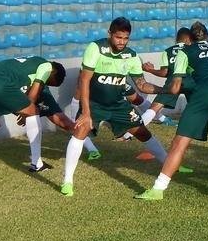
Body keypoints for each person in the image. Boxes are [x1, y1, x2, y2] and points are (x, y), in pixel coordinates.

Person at [57, 17, 175, 197]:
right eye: (118, 37)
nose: (122, 42)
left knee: (143, 133)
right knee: (80, 131)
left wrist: (167, 90)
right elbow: (85, 80)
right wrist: (86, 112)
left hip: (118, 105)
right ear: (110, 34)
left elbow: (142, 85)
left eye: (125, 38)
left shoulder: (132, 56)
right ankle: (67, 182)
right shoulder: (95, 48)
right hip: (94, 104)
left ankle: (169, 164)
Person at [135, 21, 208, 200]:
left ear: (189, 40)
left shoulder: (185, 52)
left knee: (180, 141)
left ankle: (158, 189)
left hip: (203, 96)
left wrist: (160, 90)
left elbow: (175, 87)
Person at [139, 27, 195, 128]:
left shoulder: (167, 51)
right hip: (191, 81)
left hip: (173, 82)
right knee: (199, 106)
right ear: (188, 39)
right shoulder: (193, 49)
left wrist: (150, 70)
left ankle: (128, 134)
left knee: (154, 108)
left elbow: (164, 72)